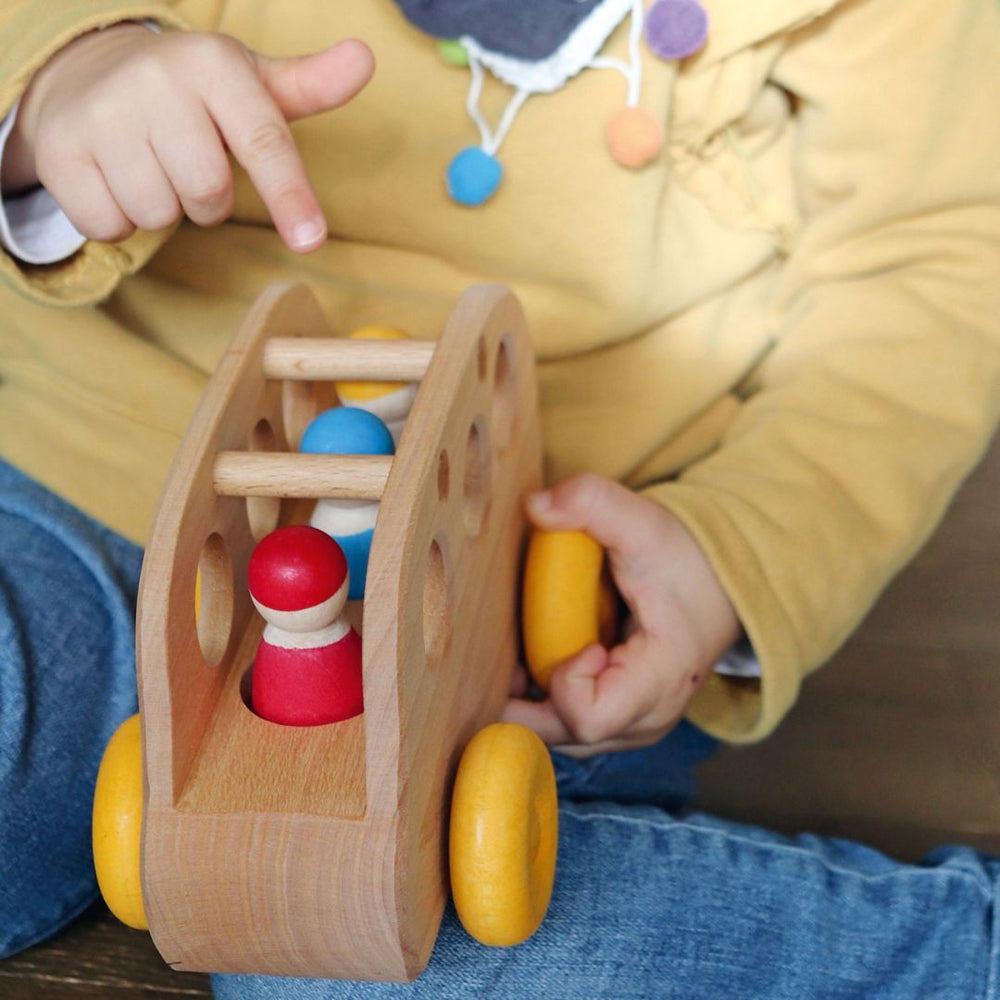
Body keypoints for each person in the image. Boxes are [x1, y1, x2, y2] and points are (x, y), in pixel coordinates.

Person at [0, 1, 998, 996]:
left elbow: (929, 263)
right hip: (90, 471)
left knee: (384, 950)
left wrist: (737, 544)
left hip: (515, 597)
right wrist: (62, 86)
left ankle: (948, 958)